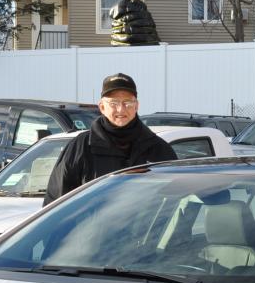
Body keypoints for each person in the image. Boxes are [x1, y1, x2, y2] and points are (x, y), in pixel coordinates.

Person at [45, 73, 176, 204]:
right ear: (102, 107)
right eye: (114, 103)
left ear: (136, 106)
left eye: (127, 102)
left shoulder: (158, 149)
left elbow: (174, 199)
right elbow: (56, 202)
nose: (121, 109)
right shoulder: (81, 147)